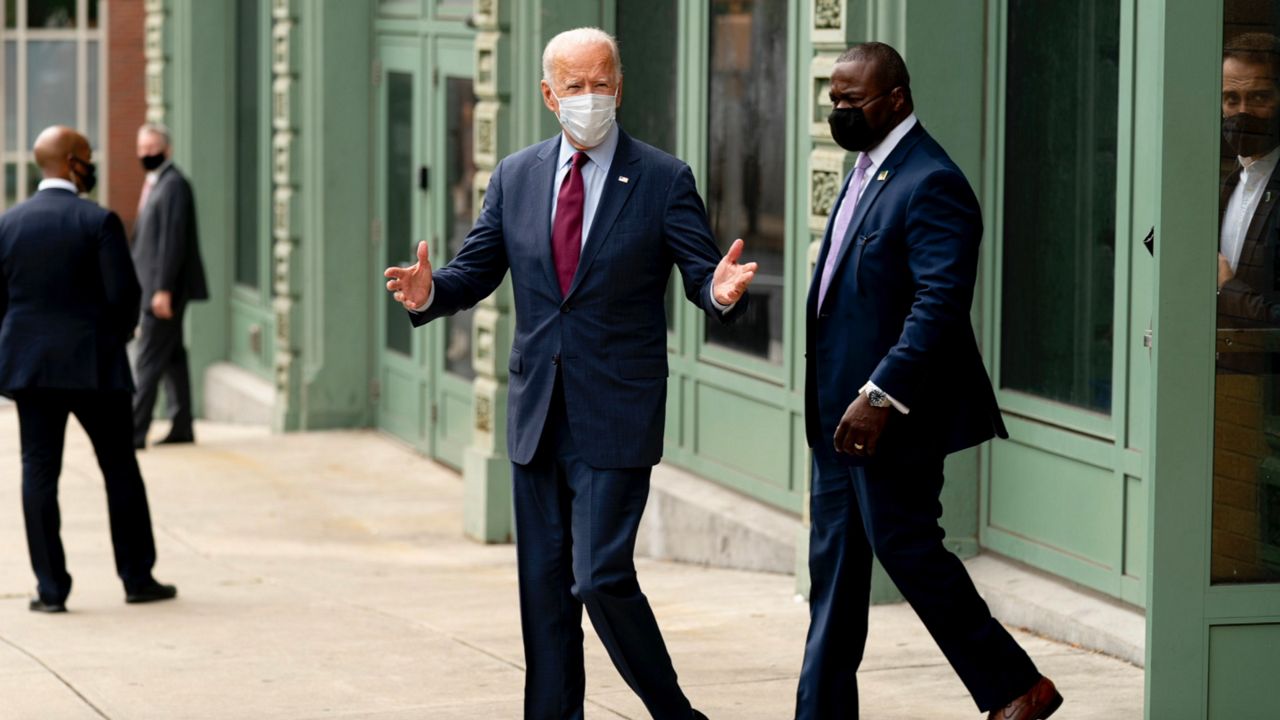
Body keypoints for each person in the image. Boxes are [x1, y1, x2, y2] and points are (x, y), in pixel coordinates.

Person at [383, 27, 756, 720]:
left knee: (601, 575)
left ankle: (677, 714)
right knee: (545, 590)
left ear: (620, 87)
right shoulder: (517, 175)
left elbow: (704, 274)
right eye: (575, 87)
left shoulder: (663, 178)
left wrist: (720, 291)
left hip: (616, 413)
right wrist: (431, 292)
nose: (590, 98)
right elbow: (474, 271)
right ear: (550, 95)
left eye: (602, 83)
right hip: (537, 411)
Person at [796, 43, 1061, 720]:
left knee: (907, 547)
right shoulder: (866, 170)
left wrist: (880, 394)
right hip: (835, 417)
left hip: (886, 416)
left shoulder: (931, 180)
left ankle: (1015, 687)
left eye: (851, 101)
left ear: (897, 102)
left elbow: (940, 303)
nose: (839, 111)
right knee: (834, 576)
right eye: (833, 99)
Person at [0, 126, 177, 613]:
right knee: (120, 468)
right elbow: (126, 298)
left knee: (37, 472)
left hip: (31, 370)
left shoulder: (8, 224)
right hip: (95, 367)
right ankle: (137, 578)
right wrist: (109, 338)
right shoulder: (97, 220)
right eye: (90, 157)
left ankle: (50, 591)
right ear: (75, 161)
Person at [131, 122, 208, 449]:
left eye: (153, 148)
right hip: (154, 288)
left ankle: (133, 433)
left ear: (168, 149)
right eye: (142, 150)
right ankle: (182, 424)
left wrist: (162, 289)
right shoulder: (156, 183)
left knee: (147, 360)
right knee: (173, 357)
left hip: (164, 292)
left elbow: (173, 241)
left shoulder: (174, 184)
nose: (147, 154)